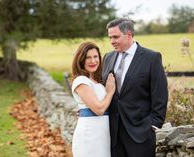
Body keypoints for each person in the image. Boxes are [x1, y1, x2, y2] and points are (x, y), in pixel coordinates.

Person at [102, 18, 168, 157]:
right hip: (113, 133)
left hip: (141, 133)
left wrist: (153, 125)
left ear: (129, 35)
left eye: (115, 37)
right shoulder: (108, 57)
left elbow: (160, 94)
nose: (112, 41)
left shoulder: (151, 58)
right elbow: (102, 88)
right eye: (110, 37)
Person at [71, 41, 116, 157]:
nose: (93, 61)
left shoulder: (94, 80)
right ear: (81, 60)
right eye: (88, 58)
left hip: (102, 132)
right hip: (90, 133)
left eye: (96, 57)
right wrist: (110, 92)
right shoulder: (81, 81)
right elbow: (99, 109)